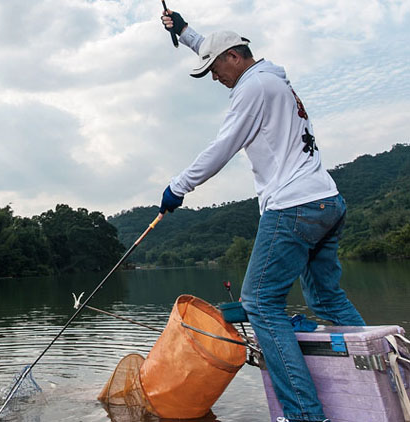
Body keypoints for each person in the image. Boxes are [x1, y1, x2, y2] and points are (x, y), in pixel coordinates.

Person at [158, 10, 365, 422]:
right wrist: (183, 32)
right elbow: (214, 47)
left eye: (215, 70)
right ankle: (383, 373)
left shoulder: (251, 90)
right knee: (326, 297)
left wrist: (178, 187)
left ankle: (306, 416)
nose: (215, 78)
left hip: (293, 207)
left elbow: (222, 146)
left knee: (259, 302)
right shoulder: (272, 78)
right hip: (327, 201)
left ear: (235, 57)